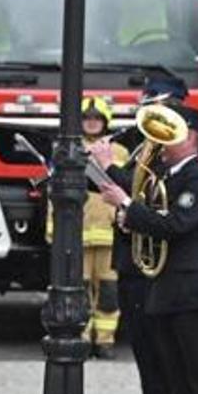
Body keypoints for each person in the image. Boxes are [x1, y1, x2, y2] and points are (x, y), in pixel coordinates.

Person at [98, 102, 198, 394]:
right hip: (165, 287)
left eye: (171, 134)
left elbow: (176, 225)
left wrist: (126, 206)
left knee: (197, 382)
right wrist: (127, 212)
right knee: (175, 379)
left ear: (192, 138)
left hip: (192, 292)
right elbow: (150, 216)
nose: (161, 143)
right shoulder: (165, 176)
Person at [102, 74, 186, 394]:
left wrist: (109, 169)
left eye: (152, 105)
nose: (143, 112)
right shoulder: (142, 148)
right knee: (147, 359)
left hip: (149, 268)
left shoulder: (165, 154)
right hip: (133, 263)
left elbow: (144, 197)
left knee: (158, 361)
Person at [75, 95, 123, 356]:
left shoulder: (120, 153)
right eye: (86, 118)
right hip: (78, 236)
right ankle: (82, 339)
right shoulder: (71, 150)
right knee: (79, 292)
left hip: (111, 237)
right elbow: (53, 197)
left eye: (97, 118)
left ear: (106, 121)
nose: (92, 122)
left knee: (108, 292)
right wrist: (53, 229)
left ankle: (105, 341)